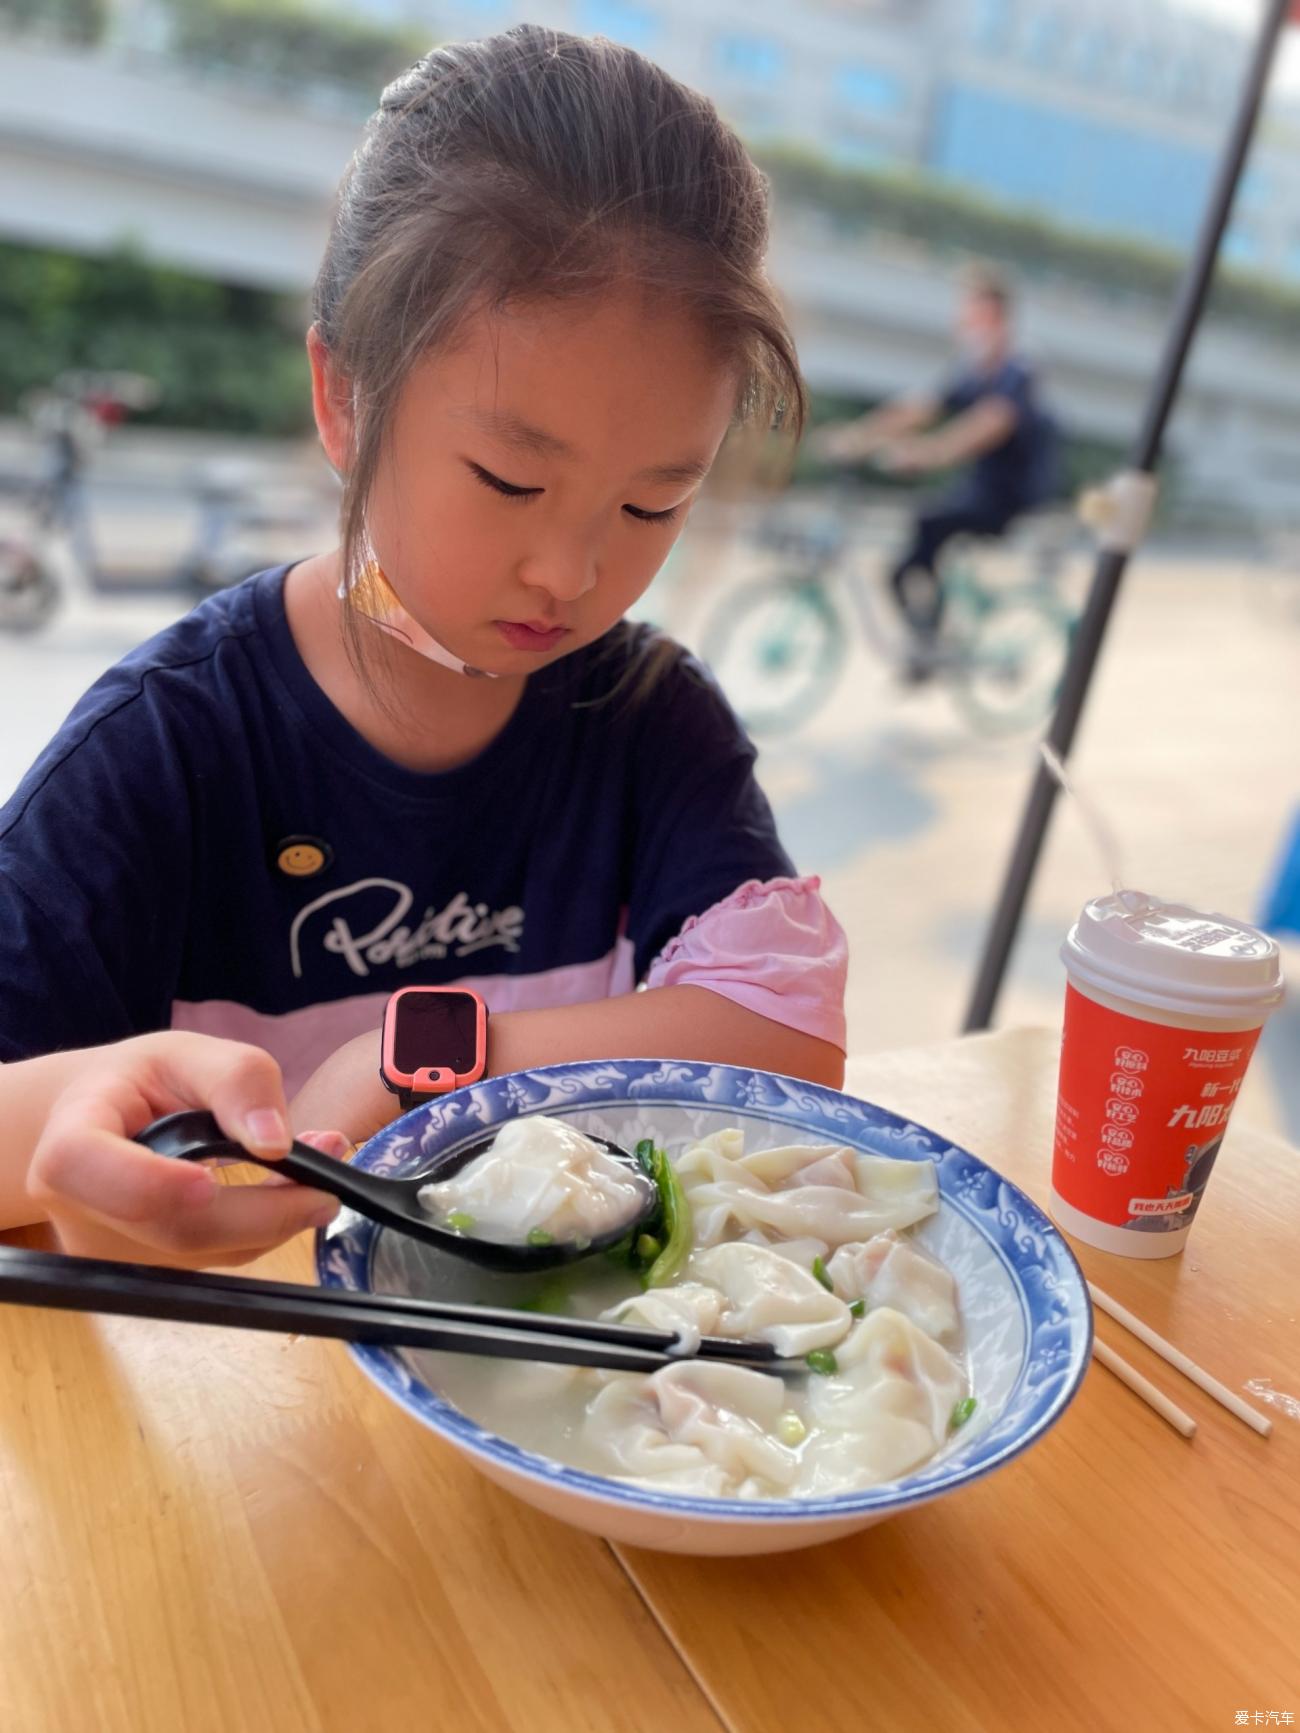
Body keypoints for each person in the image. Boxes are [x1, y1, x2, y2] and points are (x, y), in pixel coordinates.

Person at [0, 27, 847, 1265]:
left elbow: (786, 1031)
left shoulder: (650, 721)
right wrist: (88, 1114)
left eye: (652, 504)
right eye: (510, 480)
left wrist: (409, 1056)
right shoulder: (168, 747)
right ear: (345, 397)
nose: (569, 572)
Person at [816, 266, 1059, 673]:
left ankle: (932, 644)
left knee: (926, 525)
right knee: (902, 565)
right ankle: (929, 641)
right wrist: (859, 437)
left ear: (999, 318)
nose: (965, 324)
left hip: (1011, 495)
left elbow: (992, 422)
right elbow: (920, 407)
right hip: (977, 488)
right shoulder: (972, 370)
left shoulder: (1019, 369)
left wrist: (932, 453)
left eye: (976, 315)